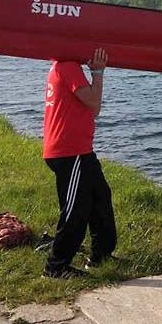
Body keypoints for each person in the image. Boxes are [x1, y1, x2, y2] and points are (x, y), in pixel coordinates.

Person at [42, 48, 117, 278]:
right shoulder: (67, 65)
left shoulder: (64, 65)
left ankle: (100, 254)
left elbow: (91, 109)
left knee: (100, 198)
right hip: (69, 151)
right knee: (76, 210)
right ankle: (56, 267)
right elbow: (94, 104)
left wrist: (94, 72)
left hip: (80, 150)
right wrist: (98, 72)